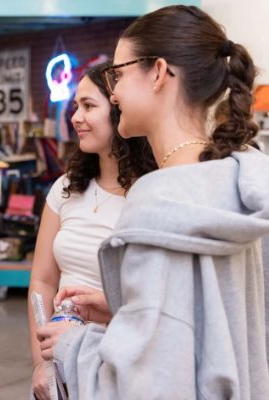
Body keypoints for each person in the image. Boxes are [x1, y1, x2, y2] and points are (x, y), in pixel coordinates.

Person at [38, 5, 269, 399]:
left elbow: (140, 384)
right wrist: (122, 310)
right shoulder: (241, 184)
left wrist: (72, 344)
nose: (114, 92)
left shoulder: (155, 205)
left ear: (159, 73)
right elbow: (208, 333)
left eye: (118, 74)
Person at [28, 62, 156, 400]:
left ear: (118, 111)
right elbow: (42, 280)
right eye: (75, 107)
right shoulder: (66, 187)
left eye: (88, 106)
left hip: (117, 361)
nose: (75, 118)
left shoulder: (150, 193)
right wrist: (40, 362)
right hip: (59, 361)